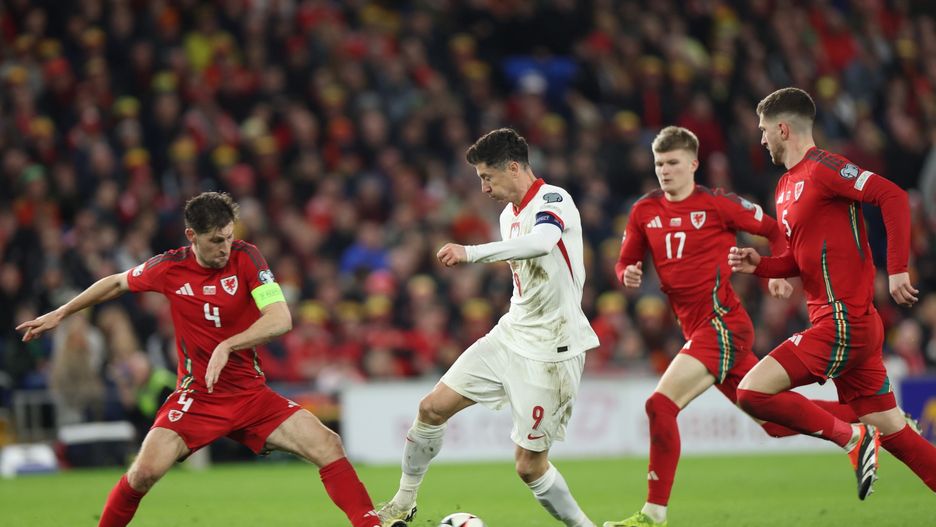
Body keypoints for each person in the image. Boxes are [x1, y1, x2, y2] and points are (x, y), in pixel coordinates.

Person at [16, 192, 404, 527]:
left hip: (250, 395)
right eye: (216, 241)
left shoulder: (247, 258)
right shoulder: (169, 268)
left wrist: (228, 345)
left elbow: (280, 318)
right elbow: (116, 282)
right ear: (192, 236)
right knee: (143, 473)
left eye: (229, 237)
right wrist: (62, 312)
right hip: (197, 397)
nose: (225, 248)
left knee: (328, 444)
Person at [604, 126, 860, 527]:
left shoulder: (718, 204)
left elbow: (774, 230)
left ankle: (654, 514)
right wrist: (627, 273)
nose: (665, 171)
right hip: (698, 330)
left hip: (722, 324)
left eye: (672, 163)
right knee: (774, 422)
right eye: (659, 164)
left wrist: (778, 272)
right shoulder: (643, 211)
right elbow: (625, 261)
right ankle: (874, 415)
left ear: (693, 164)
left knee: (659, 405)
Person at [377, 128, 599, 527]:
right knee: (431, 408)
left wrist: (471, 252)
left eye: (487, 177)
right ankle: (403, 502)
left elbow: (541, 242)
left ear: (513, 168)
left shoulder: (554, 199)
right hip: (510, 333)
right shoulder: (507, 215)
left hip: (552, 350)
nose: (483, 188)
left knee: (529, 467)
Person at [729, 87, 936, 499]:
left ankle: (853, 437)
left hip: (843, 322)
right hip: (844, 324)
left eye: (764, 130)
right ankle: (863, 428)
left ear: (783, 129)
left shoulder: (825, 167)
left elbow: (892, 196)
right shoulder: (784, 186)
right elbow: (800, 258)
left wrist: (897, 269)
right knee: (893, 433)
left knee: (751, 392)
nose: (761, 139)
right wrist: (762, 265)